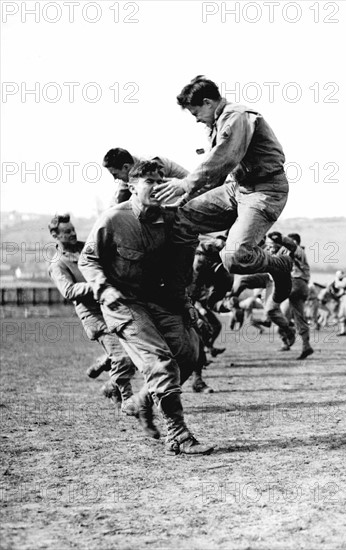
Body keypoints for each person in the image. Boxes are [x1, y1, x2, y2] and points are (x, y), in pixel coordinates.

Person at [79, 160, 213, 455]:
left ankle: (141, 401)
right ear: (131, 186)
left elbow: (178, 272)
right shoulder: (114, 219)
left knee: (189, 354)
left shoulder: (172, 219)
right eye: (149, 181)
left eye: (160, 181)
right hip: (123, 302)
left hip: (158, 300)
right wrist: (104, 287)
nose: (156, 187)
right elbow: (88, 260)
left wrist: (186, 304)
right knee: (161, 362)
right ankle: (177, 434)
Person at [154, 76, 294, 315]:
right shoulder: (218, 124)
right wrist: (185, 199)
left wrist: (187, 183)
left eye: (195, 112)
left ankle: (279, 264)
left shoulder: (236, 116)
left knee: (234, 257)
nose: (196, 119)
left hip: (265, 191)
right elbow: (217, 175)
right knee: (181, 218)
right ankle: (180, 288)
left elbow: (224, 158)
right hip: (237, 188)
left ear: (208, 103)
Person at [47, 214, 136, 406]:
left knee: (137, 349)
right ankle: (124, 397)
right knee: (124, 357)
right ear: (55, 235)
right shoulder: (57, 265)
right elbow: (69, 291)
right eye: (67, 231)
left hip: (113, 307)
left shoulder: (87, 247)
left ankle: (106, 364)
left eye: (73, 230)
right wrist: (97, 285)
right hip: (93, 316)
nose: (72, 233)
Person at [274, 232, 314, 359]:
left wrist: (281, 239)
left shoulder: (299, 251)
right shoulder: (289, 254)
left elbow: (291, 247)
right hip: (298, 287)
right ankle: (303, 345)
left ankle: (269, 318)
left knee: (273, 309)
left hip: (296, 285)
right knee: (294, 318)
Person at [102, 147, 188, 204]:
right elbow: (119, 199)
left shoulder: (152, 165)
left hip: (189, 196)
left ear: (125, 167)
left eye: (115, 174)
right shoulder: (129, 171)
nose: (115, 178)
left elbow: (155, 194)